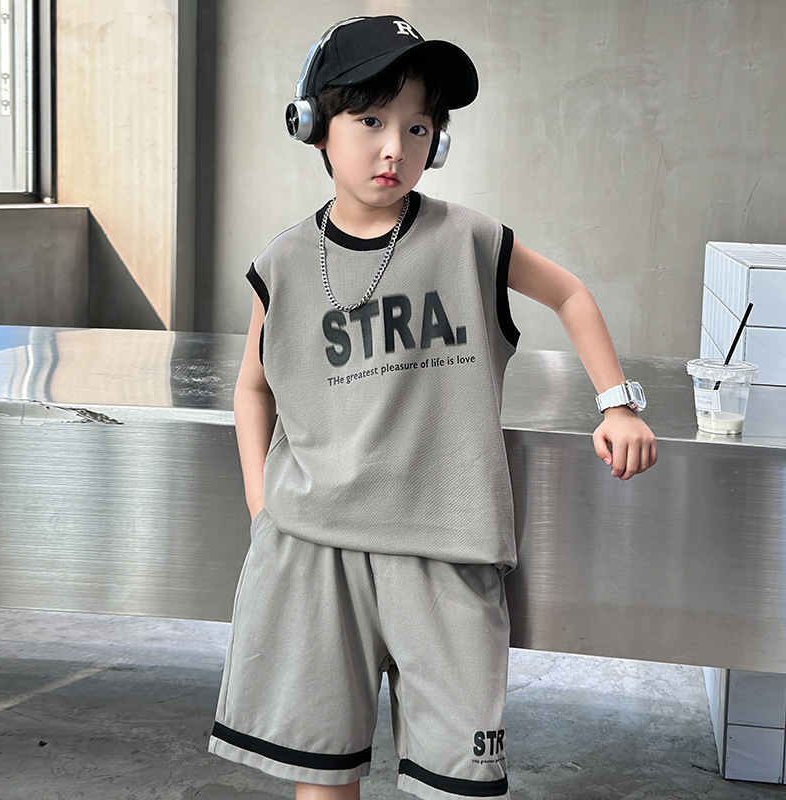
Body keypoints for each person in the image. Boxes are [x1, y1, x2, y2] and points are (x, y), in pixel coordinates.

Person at [208, 15, 657, 800]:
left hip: (448, 549)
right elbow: (254, 386)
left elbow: (569, 293)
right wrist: (260, 503)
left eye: (417, 128)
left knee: (454, 784)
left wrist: (616, 404)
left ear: (438, 141)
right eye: (371, 121)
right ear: (312, 126)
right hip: (314, 556)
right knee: (322, 777)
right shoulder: (281, 264)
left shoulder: (469, 240)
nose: (395, 147)